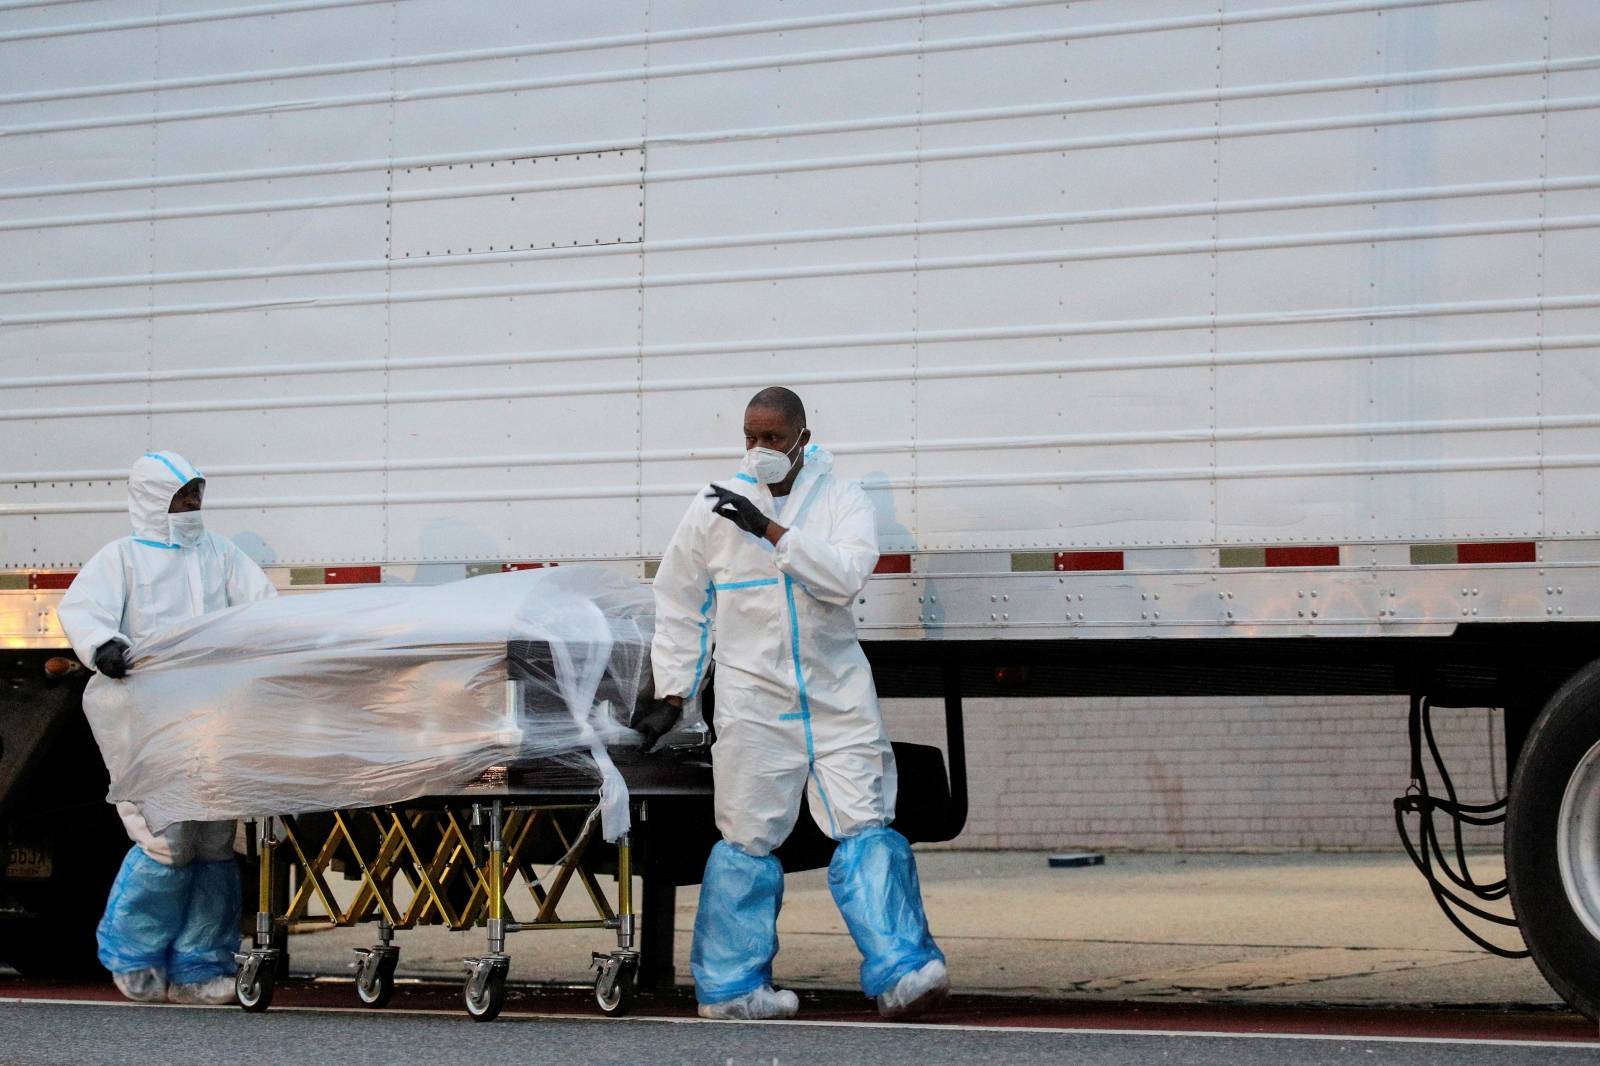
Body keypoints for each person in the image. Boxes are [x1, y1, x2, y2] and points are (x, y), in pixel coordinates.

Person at [648, 388, 949, 1021]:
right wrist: (672, 690)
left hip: (836, 698)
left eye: (773, 438)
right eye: (750, 437)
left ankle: (905, 973)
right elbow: (680, 601)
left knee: (866, 822)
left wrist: (772, 532)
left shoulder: (840, 499)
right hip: (754, 702)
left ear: (803, 437)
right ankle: (731, 989)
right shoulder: (712, 509)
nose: (760, 450)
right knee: (747, 837)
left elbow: (844, 576)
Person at [57, 452, 276, 1005]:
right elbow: (83, 611)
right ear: (156, 501)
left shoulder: (220, 555)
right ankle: (135, 956)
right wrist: (102, 646)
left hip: (215, 719)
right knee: (166, 839)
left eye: (197, 494)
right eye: (182, 497)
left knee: (213, 838)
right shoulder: (121, 560)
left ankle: (201, 966)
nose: (193, 506)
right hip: (148, 719)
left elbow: (264, 611)